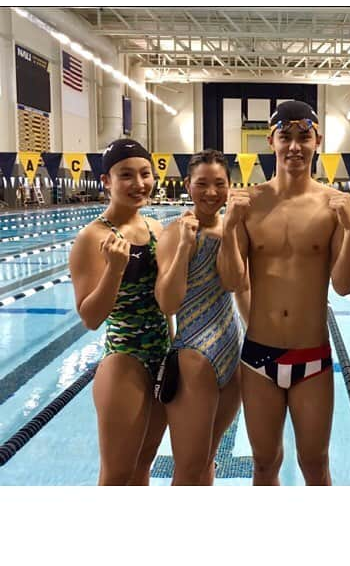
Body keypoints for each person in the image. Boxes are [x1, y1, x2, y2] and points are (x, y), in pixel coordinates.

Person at [217, 100, 350, 486]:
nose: (294, 146)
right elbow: (232, 281)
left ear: (318, 141)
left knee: (315, 464)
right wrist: (229, 228)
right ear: (271, 141)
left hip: (312, 356)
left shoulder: (332, 206)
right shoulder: (250, 203)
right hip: (258, 355)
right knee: (264, 464)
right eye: (286, 137)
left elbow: (344, 285)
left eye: (303, 137)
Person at [69, 139, 169, 485]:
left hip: (163, 355)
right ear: (106, 181)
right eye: (126, 175)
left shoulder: (156, 228)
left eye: (144, 174)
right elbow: (90, 317)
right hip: (125, 358)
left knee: (144, 463)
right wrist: (114, 269)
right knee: (116, 474)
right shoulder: (91, 238)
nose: (139, 184)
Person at [155, 150, 248, 485]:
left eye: (219, 184)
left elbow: (235, 282)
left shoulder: (231, 229)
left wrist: (232, 227)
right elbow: (168, 302)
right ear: (188, 185)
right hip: (194, 352)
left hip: (232, 349)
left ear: (229, 185)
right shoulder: (173, 233)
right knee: (189, 466)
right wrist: (183, 247)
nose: (211, 192)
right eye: (202, 184)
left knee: (208, 457)